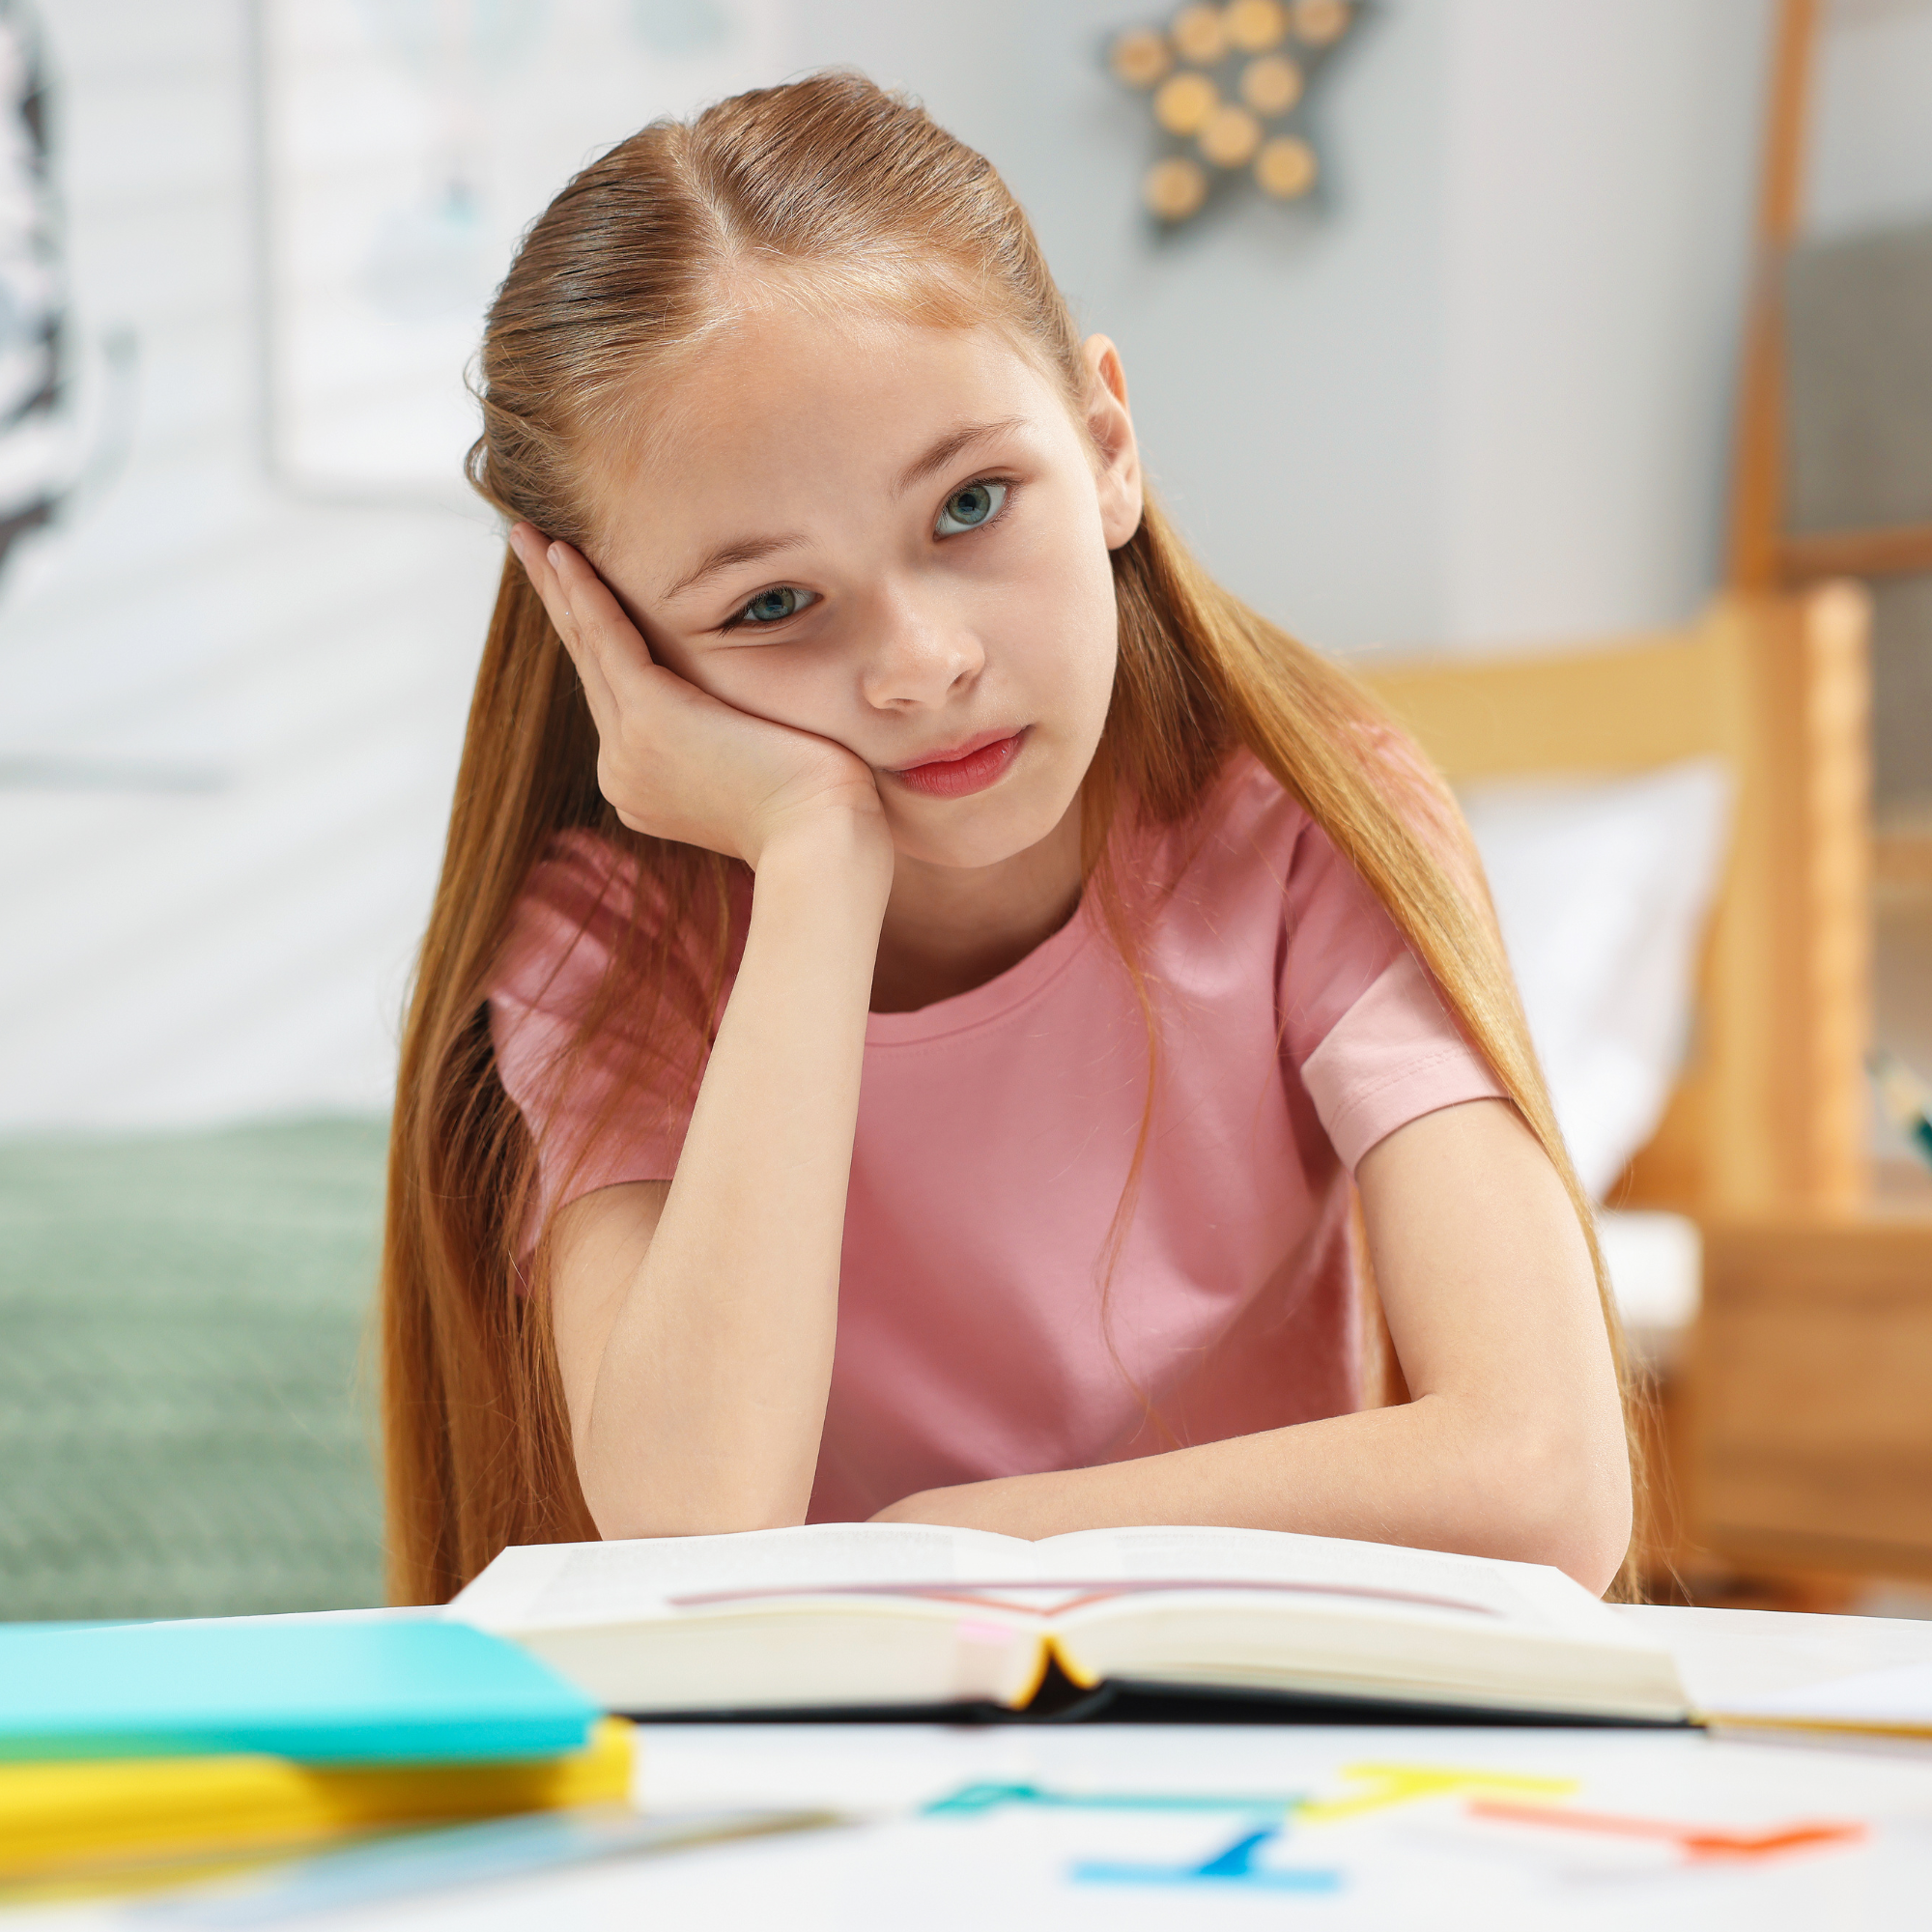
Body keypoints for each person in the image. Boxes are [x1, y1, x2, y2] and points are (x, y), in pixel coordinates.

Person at [380, 72, 1635, 1607]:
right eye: (770, 605)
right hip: (831, 1762)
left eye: (972, 503)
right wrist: (815, 860)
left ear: (1107, 440)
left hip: (1249, 1725)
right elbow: (694, 1525)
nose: (920, 663)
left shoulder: (1315, 823)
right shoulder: (613, 935)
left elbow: (1550, 1477)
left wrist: (950, 1547)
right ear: (620, 652)